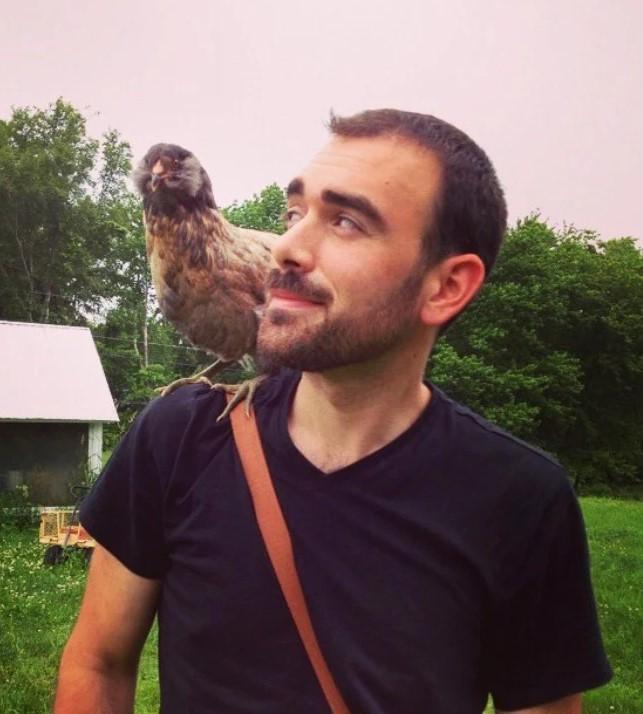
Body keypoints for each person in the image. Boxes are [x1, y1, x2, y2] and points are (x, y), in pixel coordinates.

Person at [54, 109, 611, 713]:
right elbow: (98, 663)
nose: (286, 247)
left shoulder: (521, 498)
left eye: (346, 221)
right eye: (295, 214)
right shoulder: (177, 436)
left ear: (446, 286)